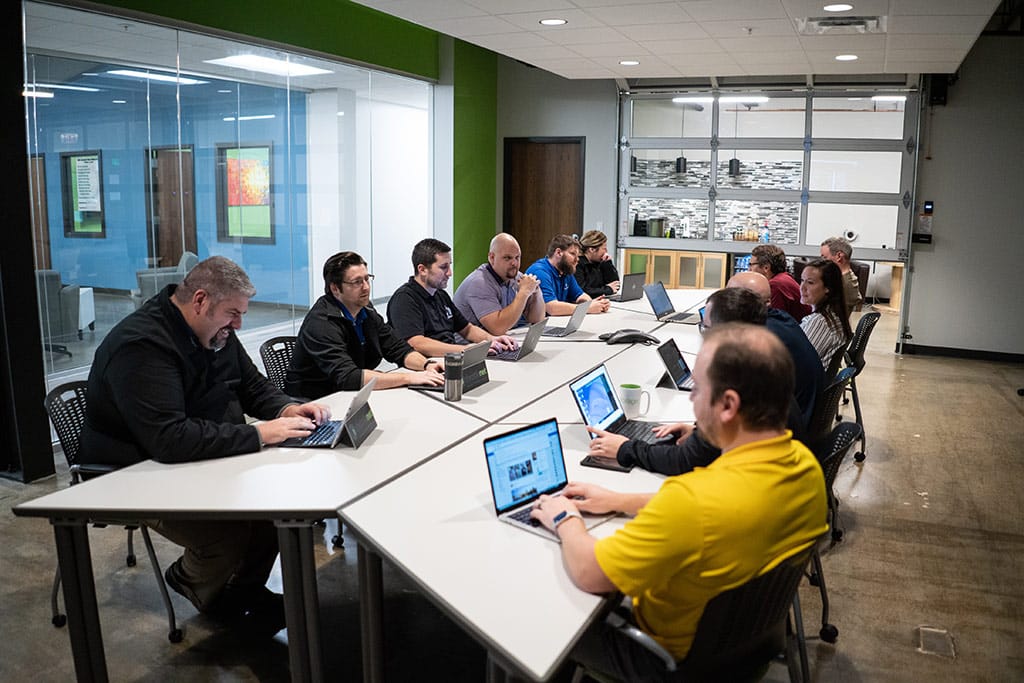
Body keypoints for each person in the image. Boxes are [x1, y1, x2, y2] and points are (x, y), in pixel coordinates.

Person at [530, 324, 827, 679]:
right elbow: (713, 510)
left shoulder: (690, 505)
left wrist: (565, 518)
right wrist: (621, 500)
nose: (691, 400)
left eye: (698, 389)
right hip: (746, 646)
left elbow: (589, 572)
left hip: (663, 661)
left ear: (728, 405)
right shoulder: (806, 469)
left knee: (543, 610)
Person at [78, 256, 331, 635]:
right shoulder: (141, 346)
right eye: (233, 313)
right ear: (200, 301)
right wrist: (262, 434)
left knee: (273, 513)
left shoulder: (216, 332)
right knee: (226, 535)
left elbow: (251, 386)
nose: (238, 324)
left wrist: (286, 408)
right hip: (134, 473)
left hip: (201, 459)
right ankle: (192, 581)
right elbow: (169, 439)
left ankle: (241, 592)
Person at [588, 281, 822, 475]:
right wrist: (699, 432)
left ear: (724, 331)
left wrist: (625, 448)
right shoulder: (763, 363)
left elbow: (684, 460)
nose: (693, 397)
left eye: (706, 326)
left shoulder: (736, 380)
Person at [285, 251, 445, 397]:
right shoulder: (322, 323)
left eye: (367, 279)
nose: (366, 287)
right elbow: (348, 377)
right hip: (315, 401)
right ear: (335, 288)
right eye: (357, 282)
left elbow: (397, 348)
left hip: (352, 394)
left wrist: (426, 365)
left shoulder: (365, 310)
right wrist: (408, 378)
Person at [387, 238, 516, 357]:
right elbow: (417, 343)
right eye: (444, 267)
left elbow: (467, 329)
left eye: (449, 265)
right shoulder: (404, 299)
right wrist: (465, 350)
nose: (450, 273)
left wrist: (491, 340)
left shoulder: (441, 295)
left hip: (450, 358)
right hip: (425, 366)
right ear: (422, 270)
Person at [452, 233, 546, 335]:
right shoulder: (479, 283)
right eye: (507, 258)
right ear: (492, 258)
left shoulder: (516, 277)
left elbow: (536, 319)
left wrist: (536, 292)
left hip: (500, 339)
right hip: (472, 344)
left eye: (517, 257)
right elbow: (498, 328)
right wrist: (523, 293)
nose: (514, 263)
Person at [525, 234, 610, 316]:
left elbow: (580, 296)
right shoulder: (540, 272)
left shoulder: (565, 271)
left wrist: (594, 304)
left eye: (577, 255)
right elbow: (551, 308)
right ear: (558, 253)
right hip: (530, 324)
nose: (577, 259)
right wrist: (587, 309)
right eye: (573, 254)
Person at [800, 257, 853, 371]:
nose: (802, 287)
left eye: (810, 282)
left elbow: (798, 362)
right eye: (802, 280)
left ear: (827, 288)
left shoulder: (819, 321)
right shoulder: (834, 314)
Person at [749, 243, 810, 322]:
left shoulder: (776, 285)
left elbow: (774, 322)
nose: (749, 269)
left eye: (751, 265)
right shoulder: (784, 278)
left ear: (766, 267)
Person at [820, 236, 863, 313]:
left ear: (839, 256)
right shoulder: (844, 278)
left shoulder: (843, 284)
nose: (822, 262)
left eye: (825, 257)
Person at [575, 230, 621, 298]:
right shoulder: (577, 264)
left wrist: (608, 263)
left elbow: (615, 285)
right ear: (592, 250)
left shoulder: (600, 262)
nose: (606, 251)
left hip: (599, 300)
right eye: (604, 248)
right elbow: (582, 291)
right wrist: (608, 289)